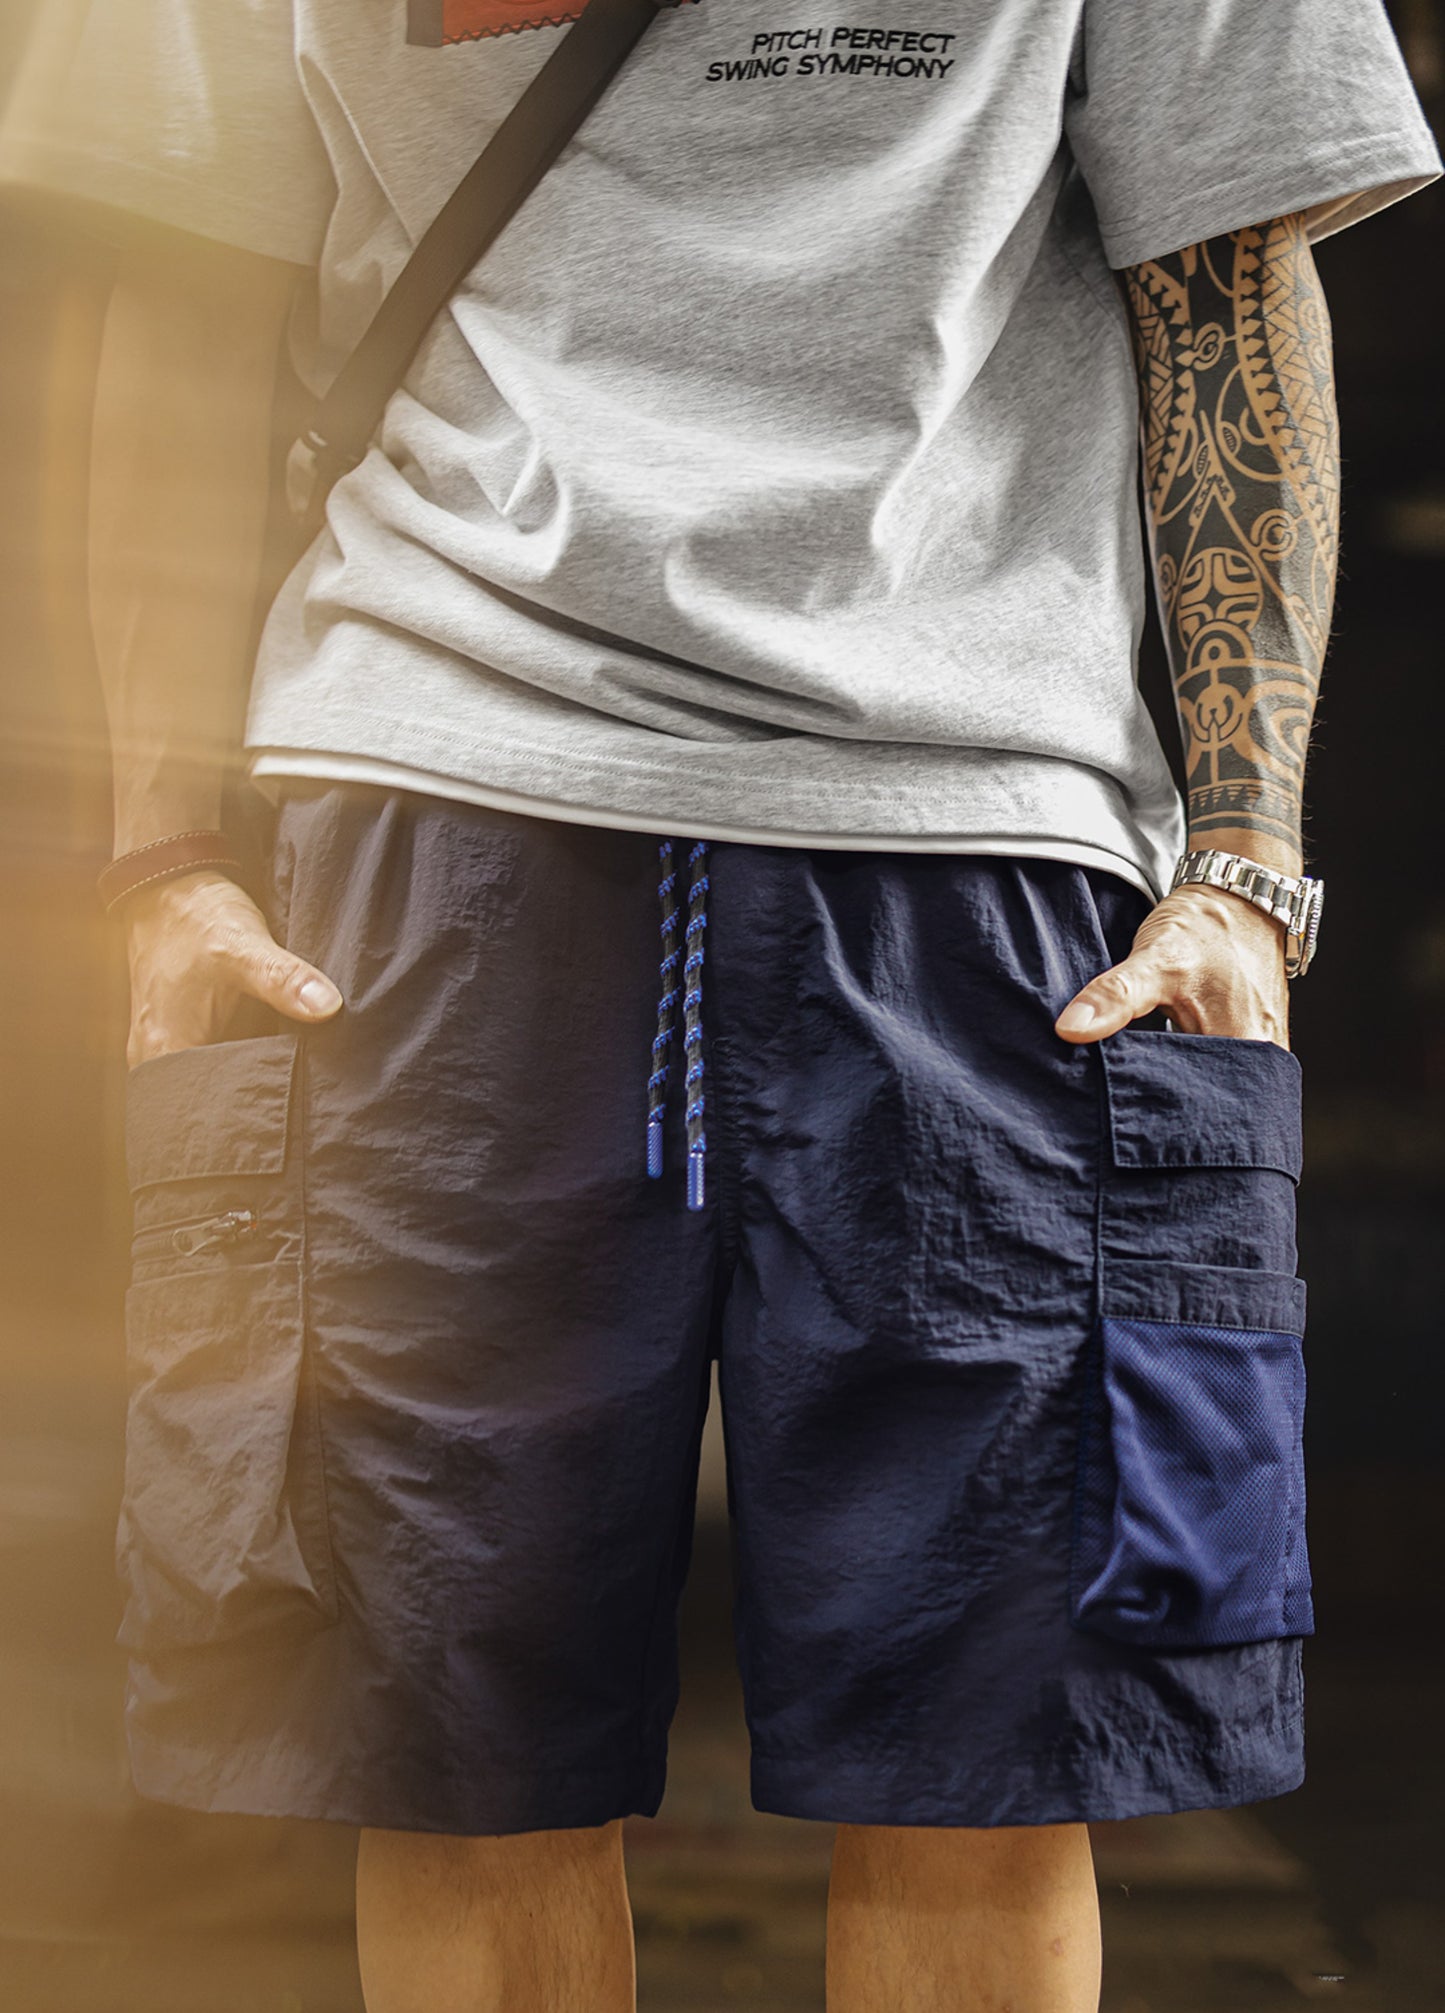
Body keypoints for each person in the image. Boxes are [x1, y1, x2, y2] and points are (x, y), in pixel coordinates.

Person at [2, 0, 1439, 2006]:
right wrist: (161, 855)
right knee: (453, 1752)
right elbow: (181, 293)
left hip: (982, 843)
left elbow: (1227, 273)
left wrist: (1243, 866)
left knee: (996, 1754)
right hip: (436, 808)